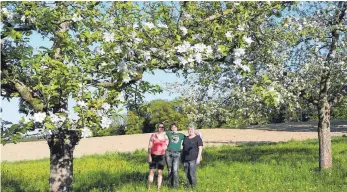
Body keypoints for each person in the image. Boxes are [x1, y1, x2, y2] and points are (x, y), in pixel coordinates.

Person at [147, 122, 169, 190]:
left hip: (161, 156)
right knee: (151, 172)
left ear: (163, 128)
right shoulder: (153, 135)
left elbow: (167, 144)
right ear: (157, 128)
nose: (161, 128)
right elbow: (149, 146)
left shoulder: (165, 136)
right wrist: (149, 156)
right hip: (153, 155)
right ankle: (149, 188)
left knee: (160, 173)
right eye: (160, 127)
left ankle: (158, 189)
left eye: (162, 127)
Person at [165, 123, 186, 187]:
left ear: (177, 128)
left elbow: (188, 139)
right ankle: (169, 184)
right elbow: (161, 134)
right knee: (169, 169)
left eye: (174, 127)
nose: (173, 128)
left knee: (175, 170)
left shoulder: (181, 135)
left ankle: (176, 185)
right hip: (168, 153)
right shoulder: (169, 134)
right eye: (172, 127)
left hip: (177, 153)